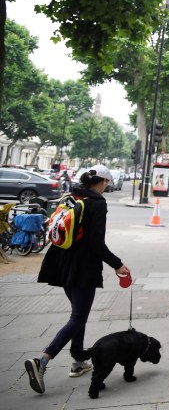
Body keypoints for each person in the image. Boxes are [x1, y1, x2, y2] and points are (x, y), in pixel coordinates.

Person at [25, 165, 131, 394]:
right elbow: (96, 243)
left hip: (60, 262)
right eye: (107, 183)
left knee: (78, 314)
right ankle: (41, 361)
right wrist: (118, 264)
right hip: (82, 267)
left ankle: (78, 361)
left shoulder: (71, 195)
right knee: (78, 317)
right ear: (102, 181)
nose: (107, 187)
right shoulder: (97, 203)